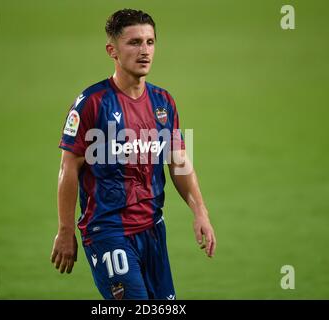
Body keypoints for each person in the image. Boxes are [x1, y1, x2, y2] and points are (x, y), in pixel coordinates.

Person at [51, 8, 216, 300]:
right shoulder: (92, 103)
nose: (144, 51)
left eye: (150, 42)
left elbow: (178, 162)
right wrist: (65, 230)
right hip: (107, 230)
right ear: (111, 50)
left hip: (153, 228)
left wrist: (200, 211)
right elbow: (69, 169)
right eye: (134, 42)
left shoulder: (163, 102)